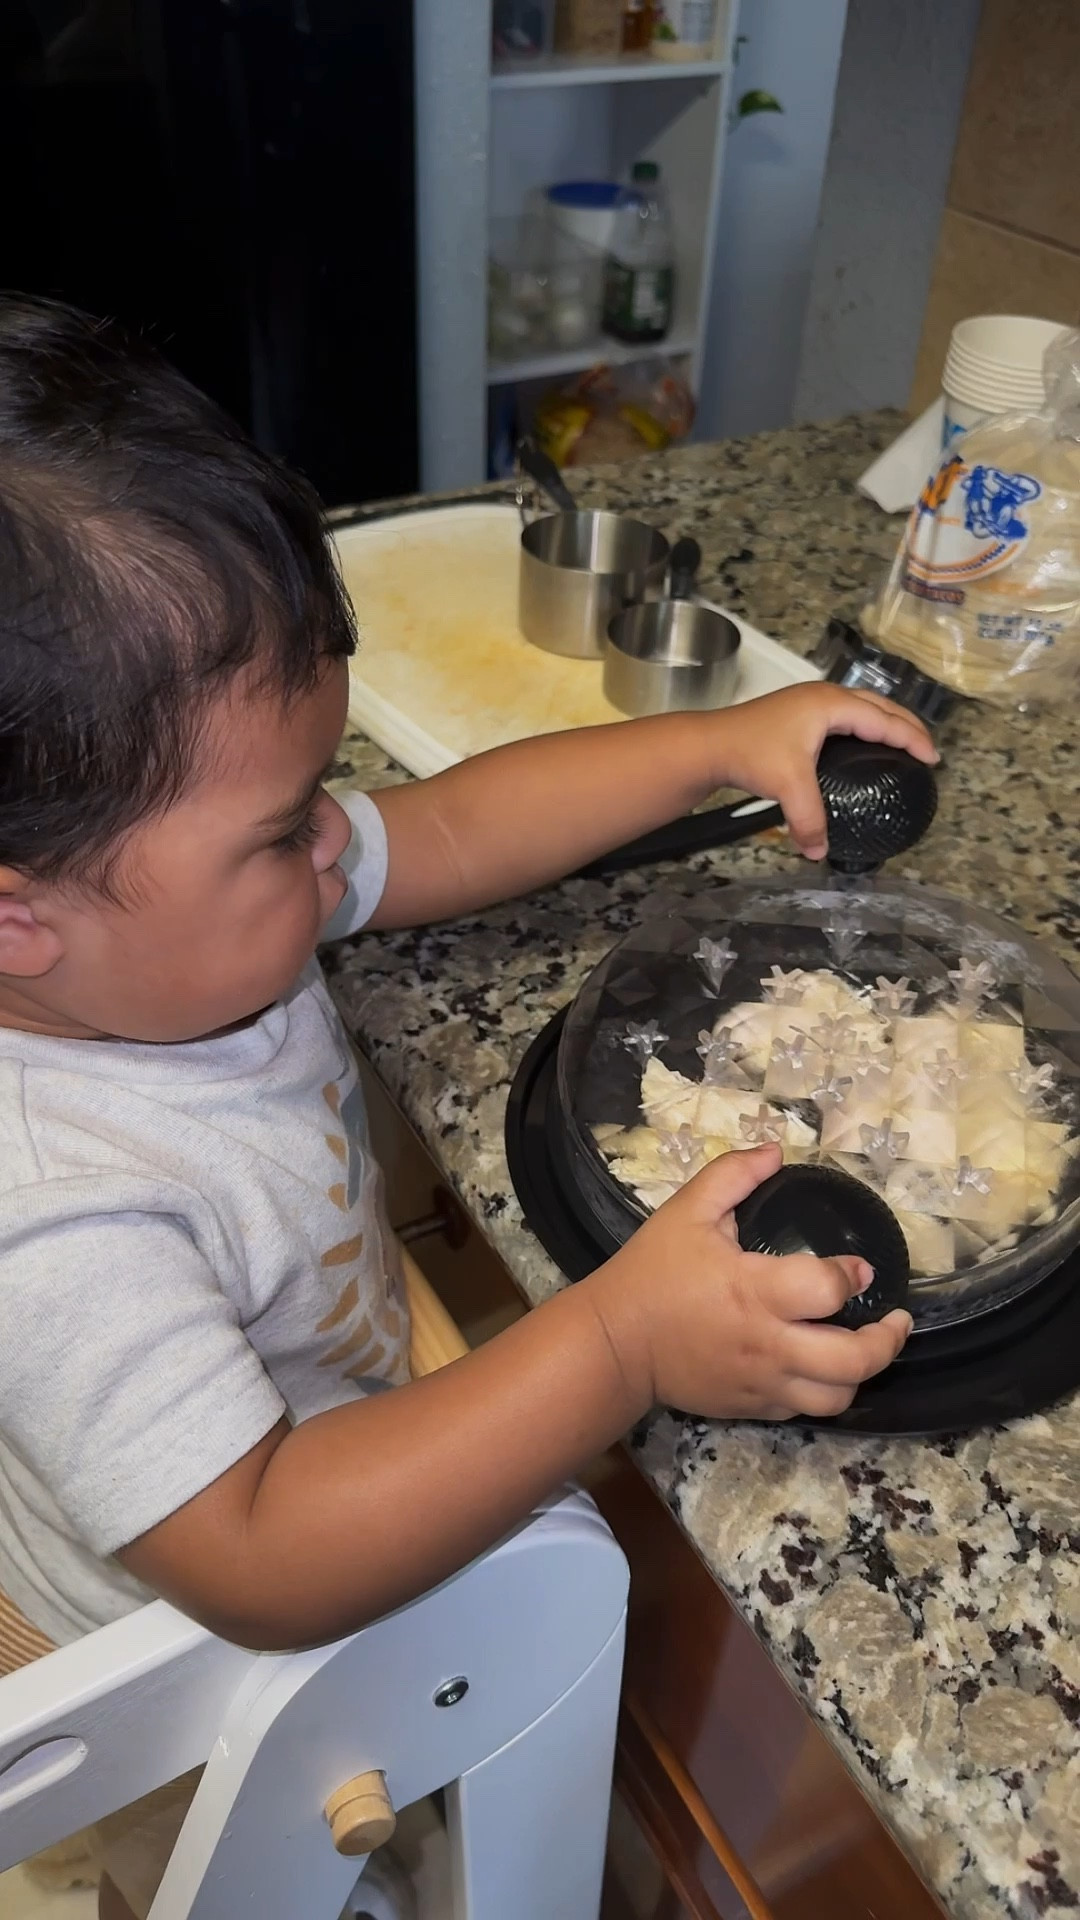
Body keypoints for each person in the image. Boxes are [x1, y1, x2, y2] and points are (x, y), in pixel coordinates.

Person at [0, 295, 931, 1918]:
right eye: (283, 832)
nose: (333, 849)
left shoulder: (152, 930)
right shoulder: (50, 1203)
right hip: (191, 1678)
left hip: (307, 1436)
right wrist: (623, 1346)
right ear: (20, 917)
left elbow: (447, 828)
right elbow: (267, 1552)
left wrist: (713, 744)